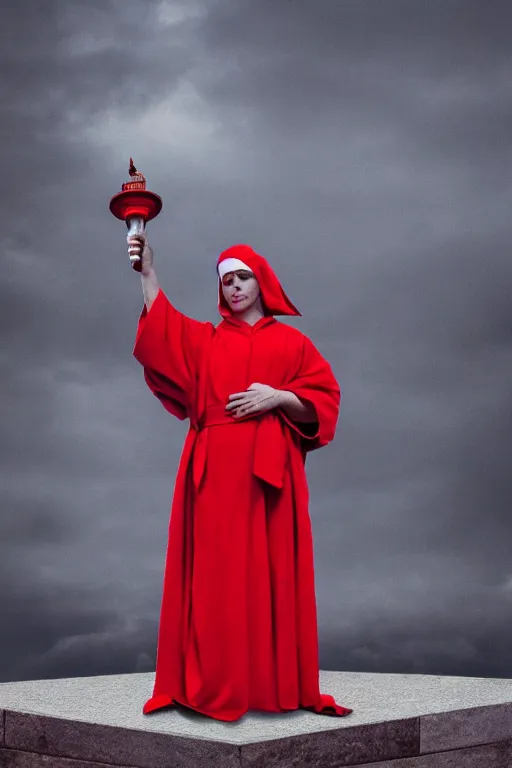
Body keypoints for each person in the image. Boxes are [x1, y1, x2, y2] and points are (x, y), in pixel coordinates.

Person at [129, 232, 353, 722]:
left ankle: (271, 687)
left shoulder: (293, 343)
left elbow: (325, 399)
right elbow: (163, 333)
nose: (233, 287)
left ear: (262, 281)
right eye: (225, 280)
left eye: (243, 277)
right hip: (215, 474)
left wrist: (278, 397)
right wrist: (148, 273)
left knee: (273, 576)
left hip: (273, 475)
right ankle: (214, 685)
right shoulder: (207, 340)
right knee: (217, 580)